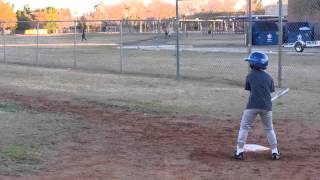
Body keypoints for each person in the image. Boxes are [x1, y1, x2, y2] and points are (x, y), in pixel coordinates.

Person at [234, 52, 280, 160]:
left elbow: (250, 89)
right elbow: (270, 91)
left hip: (252, 106)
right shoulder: (269, 77)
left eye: (251, 62)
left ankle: (239, 151)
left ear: (255, 64)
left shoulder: (250, 76)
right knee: (269, 128)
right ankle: (275, 152)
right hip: (267, 107)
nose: (250, 63)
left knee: (244, 127)